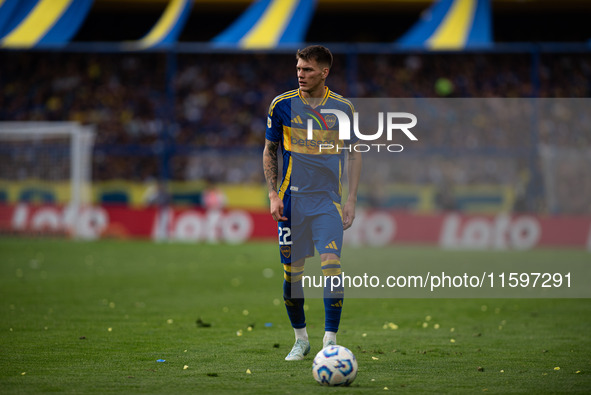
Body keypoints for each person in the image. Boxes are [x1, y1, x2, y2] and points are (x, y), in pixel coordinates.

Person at [262, 45, 362, 361]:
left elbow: (355, 152)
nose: (300, 74)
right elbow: (269, 150)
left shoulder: (342, 108)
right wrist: (273, 194)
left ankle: (329, 340)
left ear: (324, 72)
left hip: (326, 202)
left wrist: (351, 199)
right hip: (292, 202)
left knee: (332, 265)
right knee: (293, 275)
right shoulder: (282, 105)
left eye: (307, 70)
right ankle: (301, 340)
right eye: (298, 68)